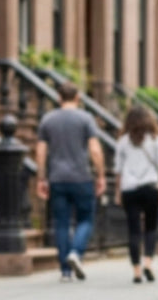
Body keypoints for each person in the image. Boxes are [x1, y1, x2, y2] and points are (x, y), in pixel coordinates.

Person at [35, 82, 106, 282]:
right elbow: (95, 150)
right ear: (77, 98)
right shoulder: (85, 119)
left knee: (61, 223)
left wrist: (41, 178)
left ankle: (65, 271)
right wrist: (100, 175)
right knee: (86, 219)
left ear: (59, 98)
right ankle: (76, 251)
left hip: (57, 178)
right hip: (81, 177)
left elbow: (40, 152)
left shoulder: (47, 120)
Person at [113, 105, 158, 284]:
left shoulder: (123, 141)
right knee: (150, 227)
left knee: (133, 230)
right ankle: (148, 262)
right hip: (150, 188)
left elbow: (118, 170)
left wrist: (118, 192)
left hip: (129, 189)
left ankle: (137, 271)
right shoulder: (156, 140)